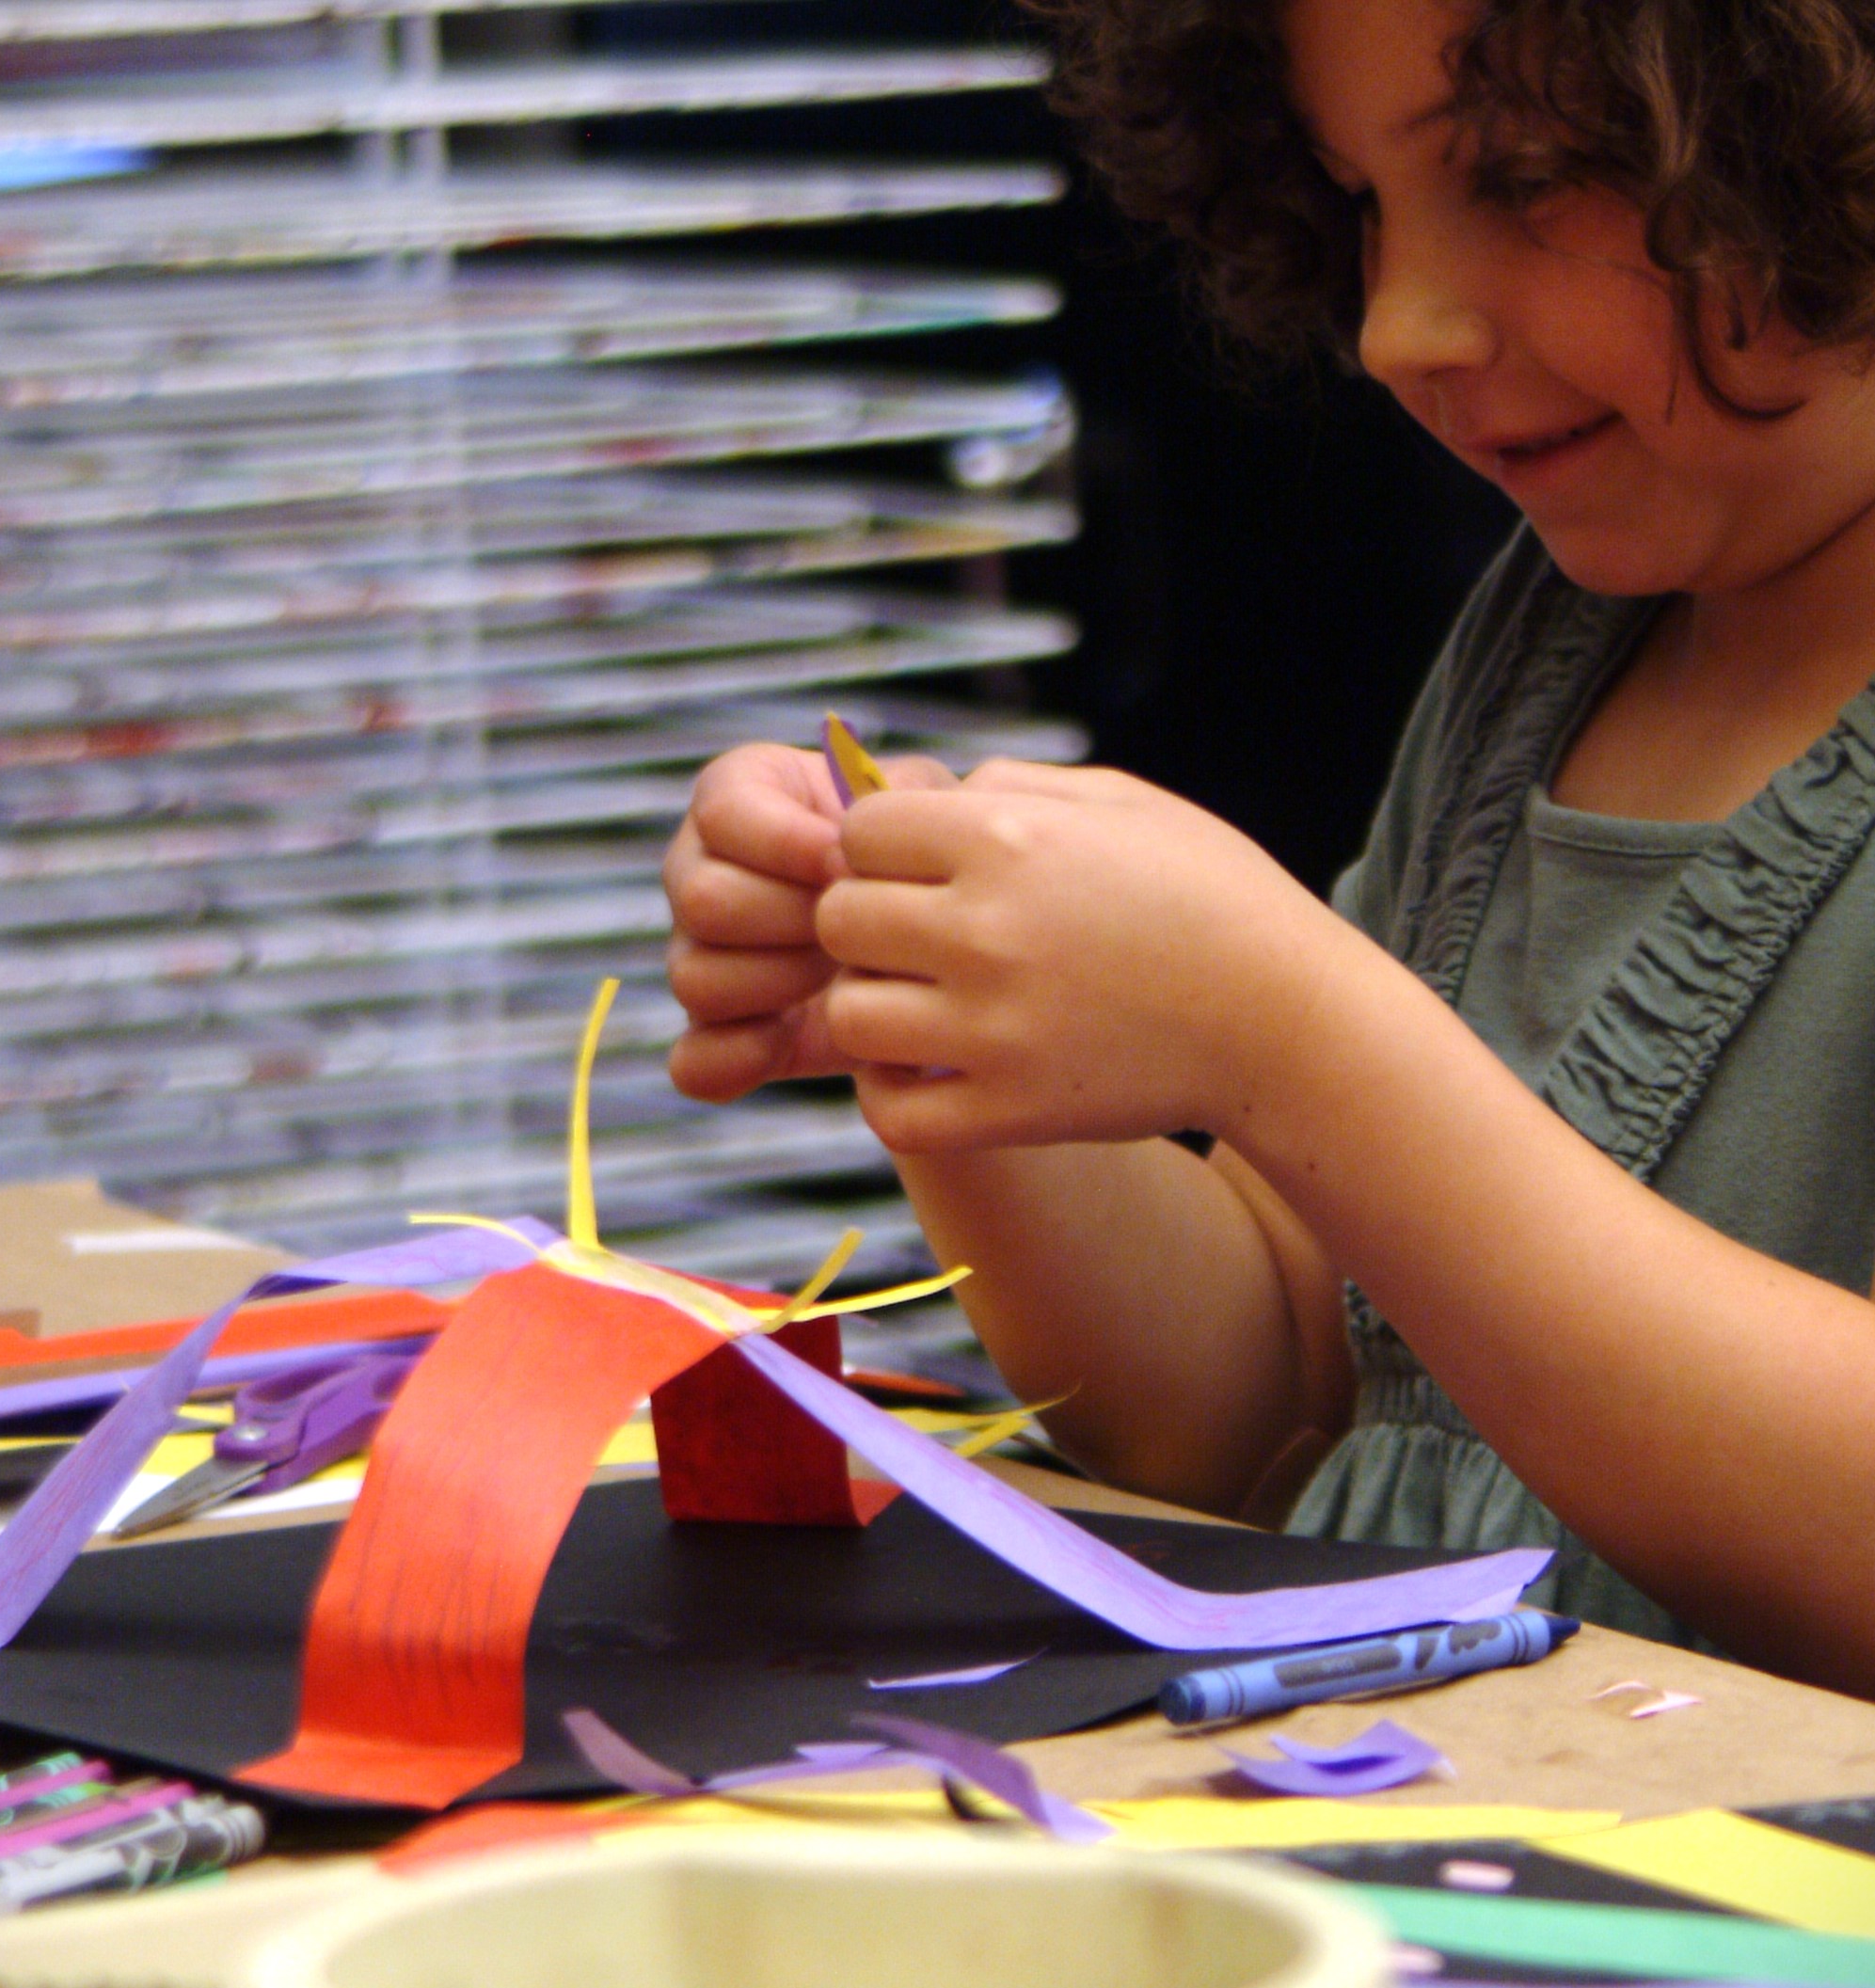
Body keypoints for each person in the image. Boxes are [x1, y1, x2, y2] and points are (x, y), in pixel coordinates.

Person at [661, 0, 1875, 1697]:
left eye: (1520, 177)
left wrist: (1294, 1041)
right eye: (1361, 203)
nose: (1397, 323)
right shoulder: (1556, 641)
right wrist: (934, 1009)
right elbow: (1264, 1403)